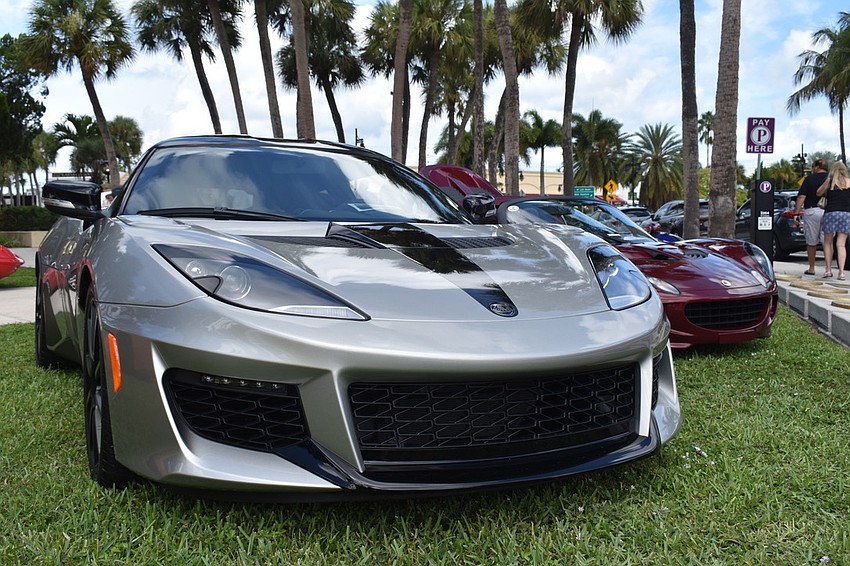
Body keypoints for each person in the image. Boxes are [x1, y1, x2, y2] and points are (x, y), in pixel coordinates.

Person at [816, 161, 850, 280]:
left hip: (830, 213)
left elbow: (818, 193)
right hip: (846, 214)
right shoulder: (849, 181)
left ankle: (828, 270)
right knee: (841, 244)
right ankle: (841, 272)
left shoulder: (830, 181)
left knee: (828, 242)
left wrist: (828, 181)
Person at [795, 159, 829, 275]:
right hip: (828, 211)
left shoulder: (809, 179)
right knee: (827, 242)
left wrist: (796, 213)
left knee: (811, 242)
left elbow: (801, 197)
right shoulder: (832, 178)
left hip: (812, 211)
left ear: (817, 167)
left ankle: (812, 268)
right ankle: (828, 269)